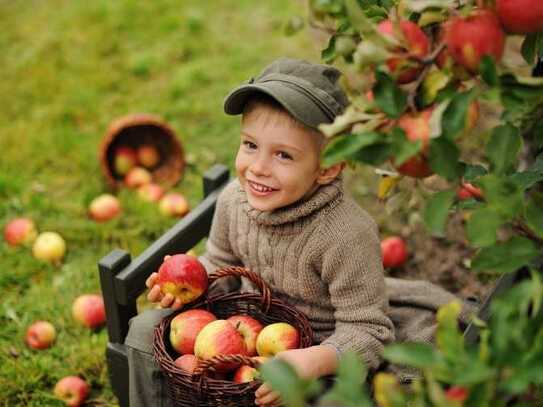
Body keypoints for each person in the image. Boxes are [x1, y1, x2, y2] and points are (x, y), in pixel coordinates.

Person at [125, 57, 477, 407]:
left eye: (284, 156)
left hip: (319, 349)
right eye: (250, 145)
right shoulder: (234, 199)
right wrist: (192, 290)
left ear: (327, 169)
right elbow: (220, 264)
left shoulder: (346, 234)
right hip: (242, 329)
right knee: (144, 330)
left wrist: (314, 361)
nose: (258, 168)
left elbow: (369, 331)